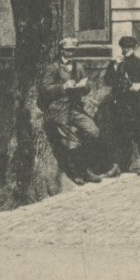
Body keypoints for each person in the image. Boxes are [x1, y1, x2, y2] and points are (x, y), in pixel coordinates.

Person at [38, 37, 117, 184]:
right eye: (68, 50)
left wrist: (83, 87)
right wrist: (62, 87)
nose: (70, 53)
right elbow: (44, 88)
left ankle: (87, 168)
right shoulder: (53, 67)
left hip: (75, 108)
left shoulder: (78, 66)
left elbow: (87, 87)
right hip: (59, 109)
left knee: (93, 131)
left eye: (73, 50)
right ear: (61, 50)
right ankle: (78, 173)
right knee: (72, 142)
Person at [104, 35, 140, 177]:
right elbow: (107, 81)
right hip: (119, 104)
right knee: (117, 133)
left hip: (136, 104)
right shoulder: (116, 63)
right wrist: (114, 66)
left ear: (133, 48)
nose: (126, 50)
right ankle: (116, 166)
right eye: (123, 47)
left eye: (129, 47)